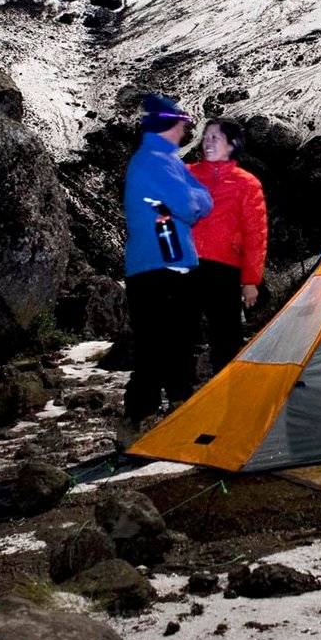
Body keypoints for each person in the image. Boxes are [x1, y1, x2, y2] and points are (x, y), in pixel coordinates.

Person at [121, 92, 212, 439]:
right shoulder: (154, 161)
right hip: (161, 266)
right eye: (181, 125)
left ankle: (165, 413)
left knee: (172, 342)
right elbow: (192, 206)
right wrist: (188, 201)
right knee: (160, 343)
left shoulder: (165, 162)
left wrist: (188, 200)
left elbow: (201, 200)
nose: (185, 132)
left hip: (165, 264)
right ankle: (142, 418)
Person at [188, 118, 269, 375]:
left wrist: (250, 281)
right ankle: (180, 402)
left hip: (224, 270)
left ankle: (226, 397)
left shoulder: (247, 184)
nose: (209, 141)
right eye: (207, 136)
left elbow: (255, 235)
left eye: (217, 137)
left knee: (226, 338)